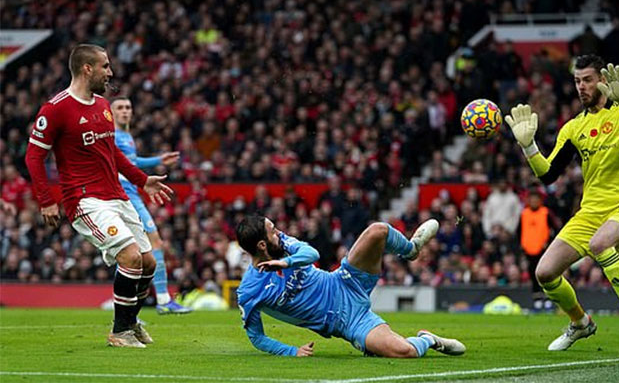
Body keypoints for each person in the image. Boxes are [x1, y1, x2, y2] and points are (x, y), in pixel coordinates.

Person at [24, 44, 173, 348]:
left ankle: (131, 323)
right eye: (105, 66)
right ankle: (120, 332)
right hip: (85, 200)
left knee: (148, 263)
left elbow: (112, 152)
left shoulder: (103, 105)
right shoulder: (56, 108)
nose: (111, 72)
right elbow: (33, 157)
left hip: (117, 196)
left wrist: (142, 180)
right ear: (86, 69)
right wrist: (46, 200)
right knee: (130, 257)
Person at [505, 55, 619, 352]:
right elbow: (548, 175)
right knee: (544, 272)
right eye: (577, 81)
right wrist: (528, 146)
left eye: (588, 80)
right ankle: (580, 323)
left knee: (599, 244)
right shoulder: (573, 128)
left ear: (603, 81)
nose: (581, 87)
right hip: (589, 211)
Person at [236, 215, 466, 357]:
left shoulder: (284, 245)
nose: (280, 232)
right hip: (346, 320)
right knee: (405, 352)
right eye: (274, 231)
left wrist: (285, 261)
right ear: (262, 245)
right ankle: (429, 339)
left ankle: (411, 250)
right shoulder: (249, 291)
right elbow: (256, 337)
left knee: (378, 230)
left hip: (344, 280)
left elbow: (312, 253)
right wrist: (291, 351)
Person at [110, 96, 191, 314]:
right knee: (153, 243)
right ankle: (162, 300)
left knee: (136, 249)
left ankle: (133, 304)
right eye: (120, 108)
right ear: (111, 112)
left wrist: (158, 160)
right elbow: (123, 164)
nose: (125, 111)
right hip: (125, 195)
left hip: (132, 194)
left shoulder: (126, 136)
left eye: (128, 107)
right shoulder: (114, 135)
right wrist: (156, 162)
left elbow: (132, 161)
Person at [519, 188, 561, 311]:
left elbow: (555, 229)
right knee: (532, 274)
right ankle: (537, 298)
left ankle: (548, 297)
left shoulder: (545, 213)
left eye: (536, 199)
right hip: (529, 250)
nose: (534, 201)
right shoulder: (524, 213)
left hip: (543, 250)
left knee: (546, 273)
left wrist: (548, 243)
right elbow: (519, 231)